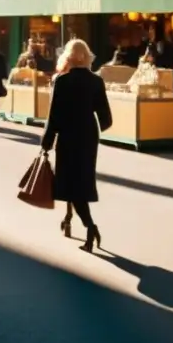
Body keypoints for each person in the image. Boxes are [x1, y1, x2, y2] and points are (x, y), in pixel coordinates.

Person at [40, 39, 112, 253]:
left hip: (68, 135)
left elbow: (53, 116)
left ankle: (90, 227)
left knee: (70, 183)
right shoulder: (96, 82)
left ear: (68, 58)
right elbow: (106, 118)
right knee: (81, 179)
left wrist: (46, 142)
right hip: (88, 136)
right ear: (88, 57)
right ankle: (71, 218)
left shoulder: (62, 81)